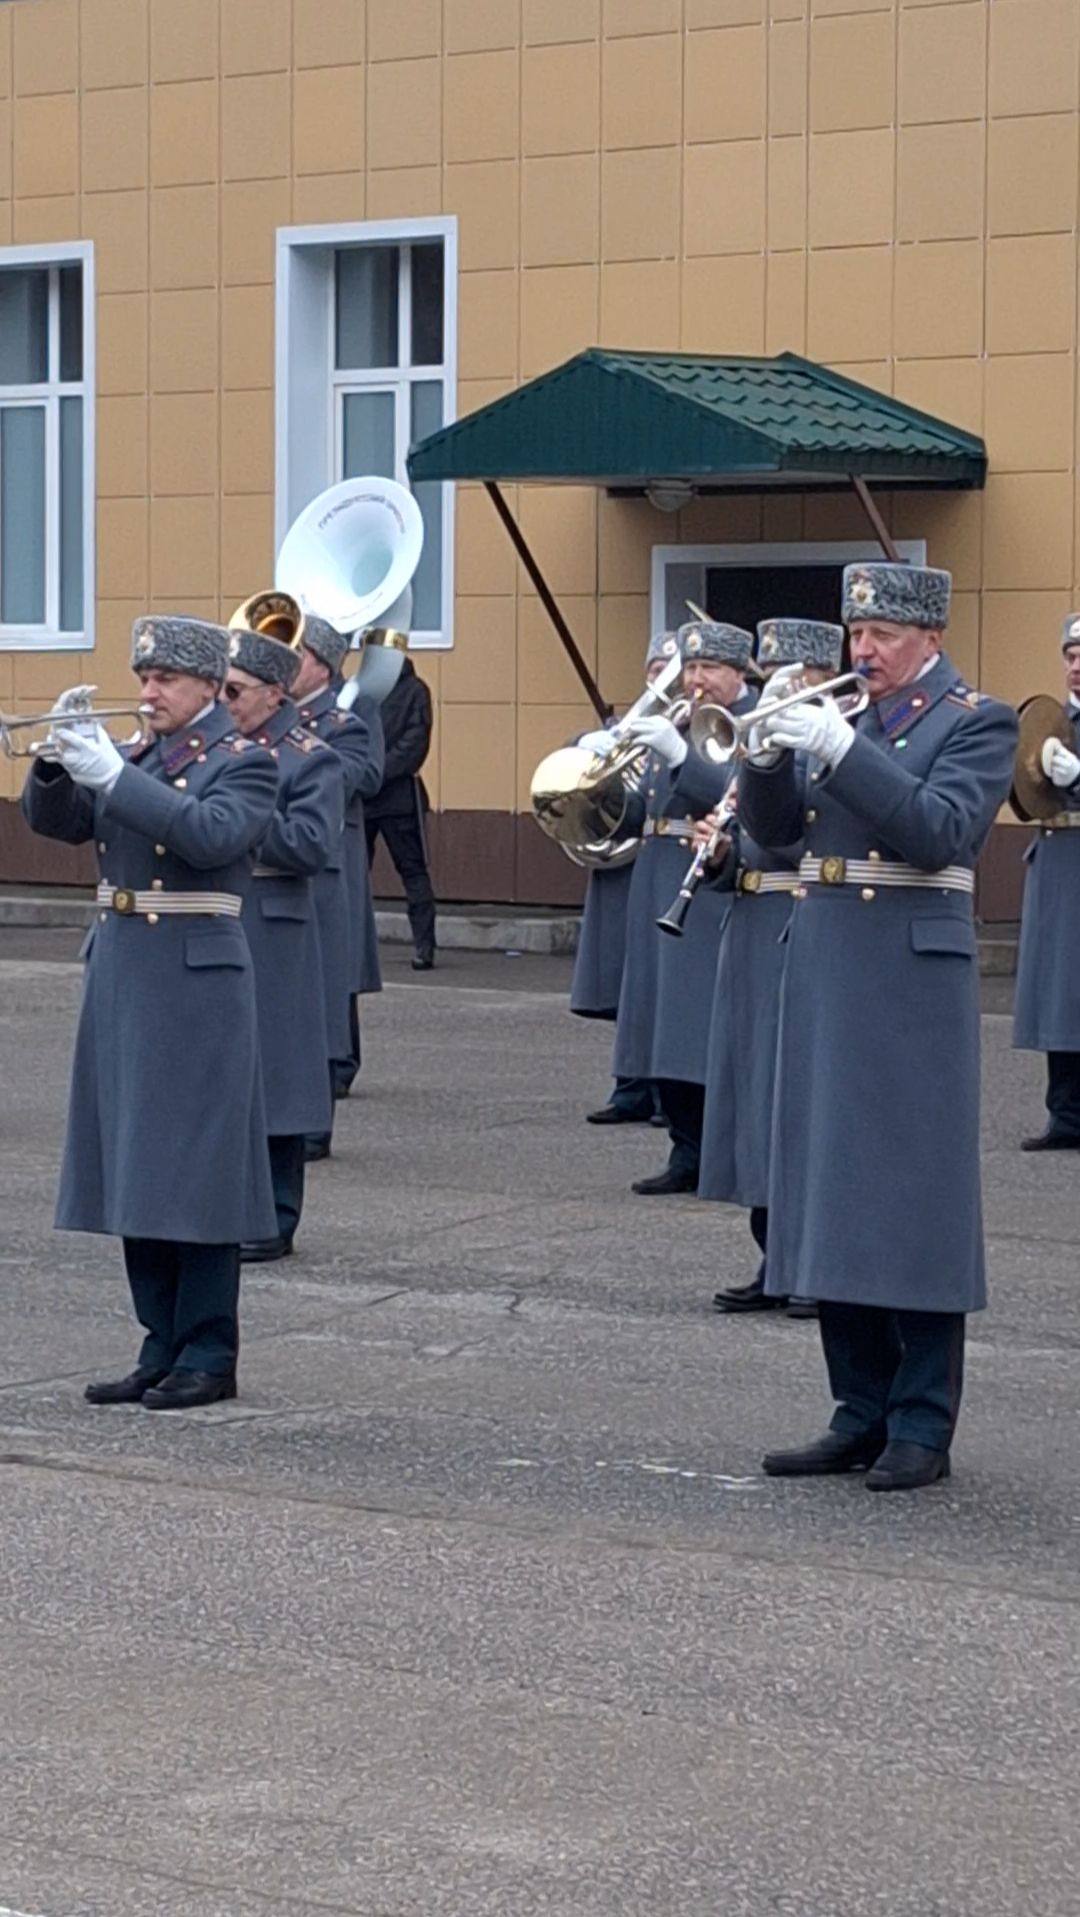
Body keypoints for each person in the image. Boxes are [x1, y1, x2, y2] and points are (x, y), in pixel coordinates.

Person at [738, 563, 1017, 1491]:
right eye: (856, 635)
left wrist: (842, 749)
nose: (862, 652)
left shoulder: (975, 720)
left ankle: (921, 1422)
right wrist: (770, 756)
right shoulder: (845, 713)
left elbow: (941, 830)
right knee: (832, 1189)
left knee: (914, 1198)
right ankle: (856, 1408)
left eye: (883, 637)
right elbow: (774, 840)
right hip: (825, 969)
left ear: (929, 638)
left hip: (908, 980)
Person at [22, 617, 279, 1410]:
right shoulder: (133, 758)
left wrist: (113, 776)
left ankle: (209, 1348)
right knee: (136, 1166)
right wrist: (57, 762)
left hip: (197, 984)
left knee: (194, 1173)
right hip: (126, 974)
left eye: (165, 677)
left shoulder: (247, 763)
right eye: (144, 677)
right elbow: (58, 824)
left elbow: (207, 835)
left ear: (208, 684)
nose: (148, 692)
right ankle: (158, 1341)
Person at [697, 619, 847, 1321]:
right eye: (774, 670)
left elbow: (805, 843)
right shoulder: (758, 741)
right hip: (749, 930)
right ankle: (771, 1255)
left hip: (802, 923)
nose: (778, 685)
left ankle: (811, 1261)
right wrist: (721, 858)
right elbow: (751, 849)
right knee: (754, 1098)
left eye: (794, 673)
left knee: (800, 1103)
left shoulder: (834, 746)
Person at [612, 620, 757, 1195]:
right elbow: (644, 803)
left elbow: (737, 790)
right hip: (659, 873)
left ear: (739, 671)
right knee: (661, 1023)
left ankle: (711, 1149)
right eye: (690, 669)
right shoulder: (676, 717)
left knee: (698, 1022)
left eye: (709, 670)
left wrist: (680, 756)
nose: (696, 681)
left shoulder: (752, 722)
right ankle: (683, 1145)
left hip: (716, 878)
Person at [223, 625, 344, 1262]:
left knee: (277, 1067)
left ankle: (277, 1215)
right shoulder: (212, 746)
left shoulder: (309, 756)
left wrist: (242, 806)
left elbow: (310, 845)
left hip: (273, 919)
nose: (225, 701)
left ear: (274, 694)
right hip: (216, 912)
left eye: (236, 691)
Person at [572, 630, 677, 1128]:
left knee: (664, 985)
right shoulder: (627, 725)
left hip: (665, 863)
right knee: (628, 983)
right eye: (656, 669)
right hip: (623, 866)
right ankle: (630, 1085)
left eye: (671, 670)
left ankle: (664, 1092)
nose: (662, 679)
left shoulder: (694, 730)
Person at [292, 616, 385, 1120]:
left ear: (323, 665)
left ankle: (338, 1062)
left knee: (335, 956)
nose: (288, 662)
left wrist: (312, 757)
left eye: (299, 653)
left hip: (336, 846)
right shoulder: (276, 713)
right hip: (290, 847)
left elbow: (368, 773)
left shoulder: (354, 707)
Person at [1014, 615, 1080, 1151]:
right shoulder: (1053, 722)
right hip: (1057, 861)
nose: (1076, 666)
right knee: (1058, 993)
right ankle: (1066, 1114)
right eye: (1070, 655)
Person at [364, 652, 437, 970]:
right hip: (378, 795)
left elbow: (415, 743)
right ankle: (357, 944)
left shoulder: (412, 690)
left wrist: (372, 773)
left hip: (390, 797)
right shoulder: (368, 691)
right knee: (356, 875)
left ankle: (424, 946)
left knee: (412, 872)